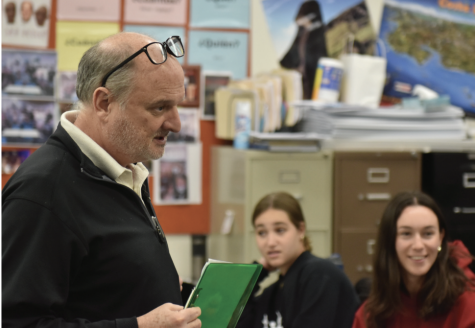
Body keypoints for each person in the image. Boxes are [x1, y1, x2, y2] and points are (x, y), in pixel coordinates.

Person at [2, 32, 201, 328]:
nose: (176, 123)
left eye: (177, 106)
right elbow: (20, 322)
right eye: (159, 107)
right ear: (104, 102)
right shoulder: (43, 191)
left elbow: (104, 285)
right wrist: (140, 327)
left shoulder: (122, 171)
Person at [352, 191, 475, 328]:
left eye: (427, 234)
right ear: (390, 240)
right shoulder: (371, 314)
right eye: (406, 234)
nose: (418, 245)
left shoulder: (468, 302)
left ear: (440, 238)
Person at [237, 192, 359, 328]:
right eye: (262, 233)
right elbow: (231, 320)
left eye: (280, 230)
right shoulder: (273, 293)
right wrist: (257, 273)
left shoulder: (320, 275)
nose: (270, 242)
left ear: (301, 230)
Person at [280, 0, 328, 99]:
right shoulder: (302, 33)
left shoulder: (319, 33)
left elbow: (319, 55)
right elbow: (293, 51)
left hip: (314, 78)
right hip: (300, 78)